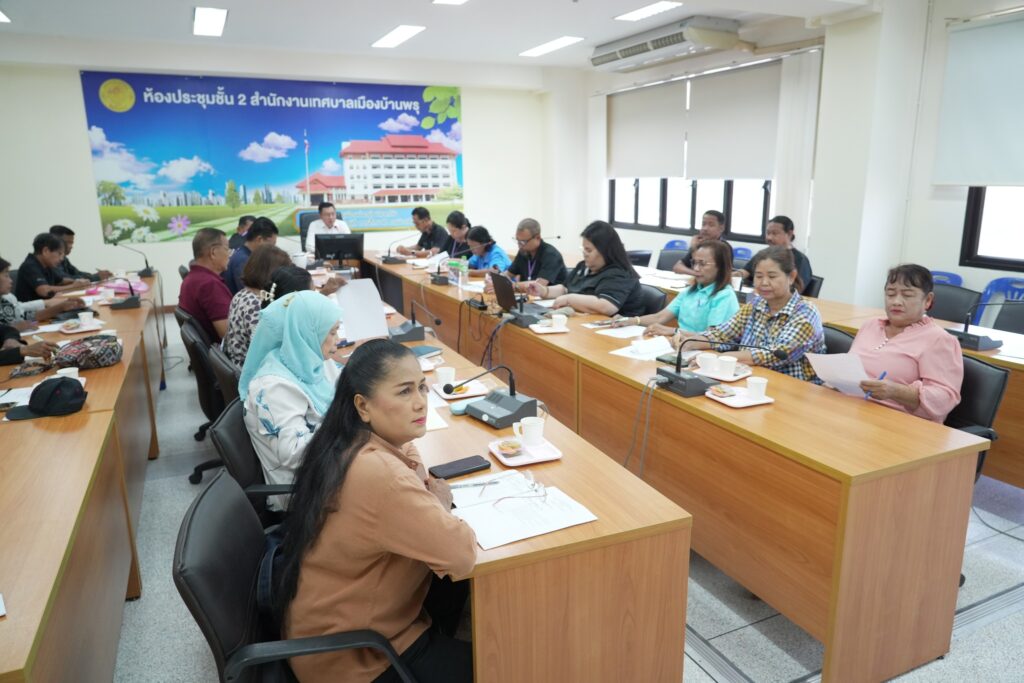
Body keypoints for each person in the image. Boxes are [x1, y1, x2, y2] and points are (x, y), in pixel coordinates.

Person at [278, 339, 476, 683]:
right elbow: (462, 556)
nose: (421, 401)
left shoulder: (349, 440)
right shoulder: (380, 475)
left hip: (333, 631)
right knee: (504, 661)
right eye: (404, 391)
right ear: (363, 405)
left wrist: (422, 486)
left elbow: (407, 454)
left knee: (454, 593)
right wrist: (439, 504)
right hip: (357, 659)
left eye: (422, 387)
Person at [238, 290, 341, 506]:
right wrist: (349, 428)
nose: (338, 340)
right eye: (332, 332)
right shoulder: (273, 387)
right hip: (304, 491)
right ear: (307, 331)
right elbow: (294, 453)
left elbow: (342, 387)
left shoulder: (309, 359)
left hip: (330, 466)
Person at [678, 246, 825, 382]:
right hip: (750, 377)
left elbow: (775, 354)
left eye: (772, 276)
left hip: (790, 387)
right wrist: (692, 341)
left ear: (791, 277)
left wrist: (721, 358)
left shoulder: (805, 312)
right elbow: (722, 334)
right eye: (759, 276)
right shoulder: (756, 304)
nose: (764, 282)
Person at [850, 265, 963, 423]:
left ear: (928, 300)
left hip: (896, 423)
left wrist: (896, 392)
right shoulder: (870, 325)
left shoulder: (939, 340)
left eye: (907, 295)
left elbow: (944, 399)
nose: (896, 301)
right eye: (890, 294)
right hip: (852, 410)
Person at [616, 241, 739, 336]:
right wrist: (631, 320)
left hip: (706, 352)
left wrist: (673, 331)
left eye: (702, 263)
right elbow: (660, 317)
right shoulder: (690, 291)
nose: (696, 269)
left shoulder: (724, 296)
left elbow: (711, 337)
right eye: (694, 263)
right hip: (683, 344)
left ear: (721, 266)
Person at [528, 220, 646, 317]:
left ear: (605, 250)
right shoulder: (584, 266)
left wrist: (569, 299)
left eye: (589, 250)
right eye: (583, 249)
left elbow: (606, 306)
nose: (584, 253)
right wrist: (544, 291)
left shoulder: (620, 273)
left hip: (617, 330)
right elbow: (565, 289)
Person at [221, 245, 292, 366]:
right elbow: (271, 352)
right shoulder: (257, 306)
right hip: (252, 371)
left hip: (239, 363)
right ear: (273, 274)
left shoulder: (243, 294)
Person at [178, 228, 233, 342]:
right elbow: (227, 334)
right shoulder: (210, 285)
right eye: (227, 249)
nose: (229, 254)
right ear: (213, 252)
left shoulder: (192, 278)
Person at [0, 256, 84, 329]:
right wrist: (14, 328)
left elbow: (29, 316)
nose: (11, 280)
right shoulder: (30, 266)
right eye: (6, 276)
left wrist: (61, 307)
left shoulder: (8, 298)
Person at [736, 216, 813, 294]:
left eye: (774, 233)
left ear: (789, 234)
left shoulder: (800, 259)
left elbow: (795, 289)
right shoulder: (764, 254)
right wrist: (735, 275)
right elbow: (746, 271)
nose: (769, 237)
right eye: (768, 233)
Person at [15, 233, 91, 301]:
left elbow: (61, 281)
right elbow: (45, 291)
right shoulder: (30, 265)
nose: (61, 259)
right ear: (46, 251)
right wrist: (73, 286)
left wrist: (78, 281)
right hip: (34, 311)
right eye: (59, 253)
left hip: (48, 306)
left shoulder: (47, 265)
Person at [501, 218, 567, 293]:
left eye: (523, 242)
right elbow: (508, 274)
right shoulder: (523, 251)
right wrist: (496, 280)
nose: (519, 245)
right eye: (517, 240)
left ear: (537, 238)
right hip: (528, 296)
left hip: (549, 299)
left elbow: (539, 285)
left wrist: (513, 286)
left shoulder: (551, 255)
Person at [223, 217, 279, 295]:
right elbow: (251, 295)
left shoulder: (247, 255)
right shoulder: (243, 260)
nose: (272, 249)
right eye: (271, 245)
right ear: (260, 240)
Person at [673, 210, 733, 276]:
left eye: (711, 225)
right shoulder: (700, 244)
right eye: (703, 224)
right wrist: (696, 273)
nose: (705, 228)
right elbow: (677, 267)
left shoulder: (725, 247)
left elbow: (714, 274)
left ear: (721, 228)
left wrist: (694, 249)